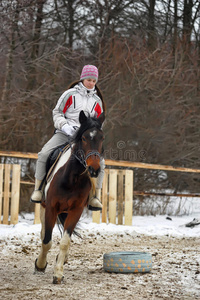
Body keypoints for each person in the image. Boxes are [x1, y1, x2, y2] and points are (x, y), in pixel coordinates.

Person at [30, 65, 106, 211]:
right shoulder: (69, 94)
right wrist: (64, 125)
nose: (91, 83)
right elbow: (57, 112)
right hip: (65, 133)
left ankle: (95, 197)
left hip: (84, 139)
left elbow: (99, 122)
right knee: (44, 154)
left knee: (100, 163)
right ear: (83, 79)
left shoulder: (97, 101)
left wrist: (93, 136)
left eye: (93, 81)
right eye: (89, 80)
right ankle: (38, 189)